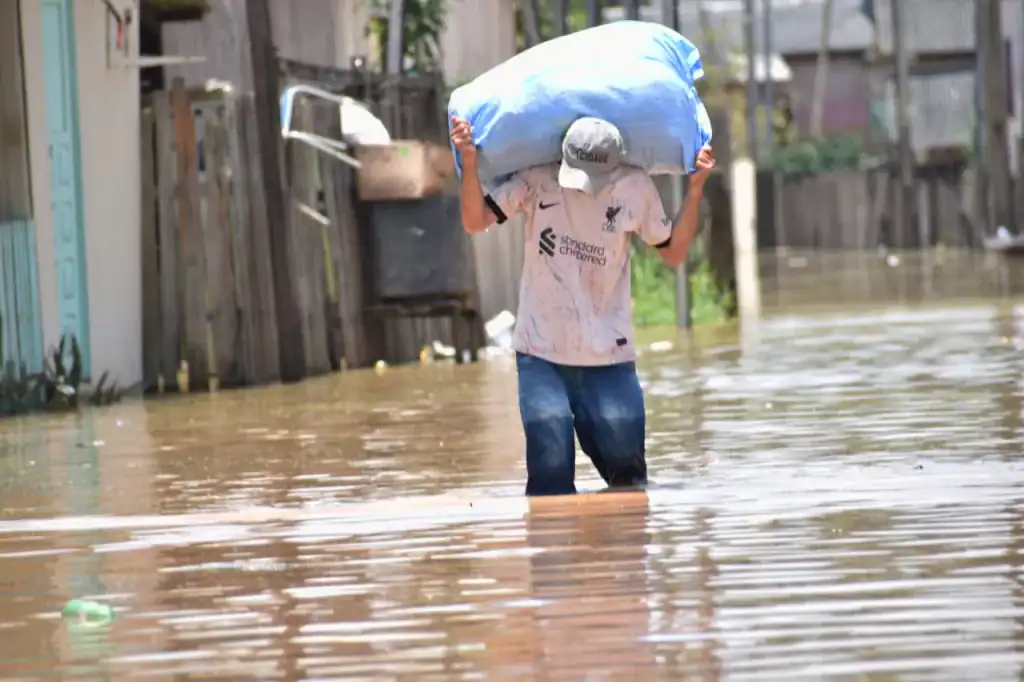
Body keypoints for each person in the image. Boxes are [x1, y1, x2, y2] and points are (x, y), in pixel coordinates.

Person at [451, 115, 715, 496]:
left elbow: (672, 252)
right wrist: (469, 161)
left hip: (608, 354)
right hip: (541, 352)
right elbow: (475, 221)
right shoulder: (538, 181)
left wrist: (696, 189)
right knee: (550, 483)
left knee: (630, 481)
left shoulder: (634, 188)